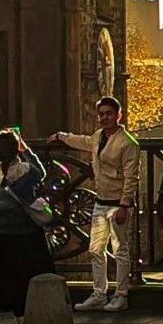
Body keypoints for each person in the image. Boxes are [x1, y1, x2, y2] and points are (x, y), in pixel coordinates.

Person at [55, 93, 141, 312]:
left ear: (118, 115)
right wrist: (62, 136)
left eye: (109, 114)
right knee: (96, 249)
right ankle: (99, 293)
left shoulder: (128, 143)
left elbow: (131, 177)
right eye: (101, 114)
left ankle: (121, 294)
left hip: (117, 203)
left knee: (120, 249)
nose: (104, 118)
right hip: (100, 201)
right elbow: (83, 141)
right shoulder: (99, 136)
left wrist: (124, 205)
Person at [0, 128, 56, 314]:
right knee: (33, 277)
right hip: (29, 232)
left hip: (5, 233)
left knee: (12, 281)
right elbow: (41, 172)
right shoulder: (26, 170)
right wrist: (25, 148)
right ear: (15, 148)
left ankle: (18, 321)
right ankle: (37, 316)